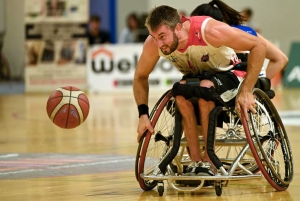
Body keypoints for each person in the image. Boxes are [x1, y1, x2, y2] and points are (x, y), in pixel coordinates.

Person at [133, 4, 268, 176]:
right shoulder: (154, 45)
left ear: (178, 28)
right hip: (198, 79)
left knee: (205, 88)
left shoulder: (209, 30)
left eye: (162, 36)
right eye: (153, 37)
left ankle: (209, 161)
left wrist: (247, 90)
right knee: (180, 91)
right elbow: (140, 76)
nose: (158, 43)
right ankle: (196, 162)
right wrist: (143, 115)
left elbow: (259, 46)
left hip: (229, 73)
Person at [190, 0, 288, 80]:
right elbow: (281, 58)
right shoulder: (244, 30)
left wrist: (254, 86)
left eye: (193, 23)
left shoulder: (225, 36)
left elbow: (280, 59)